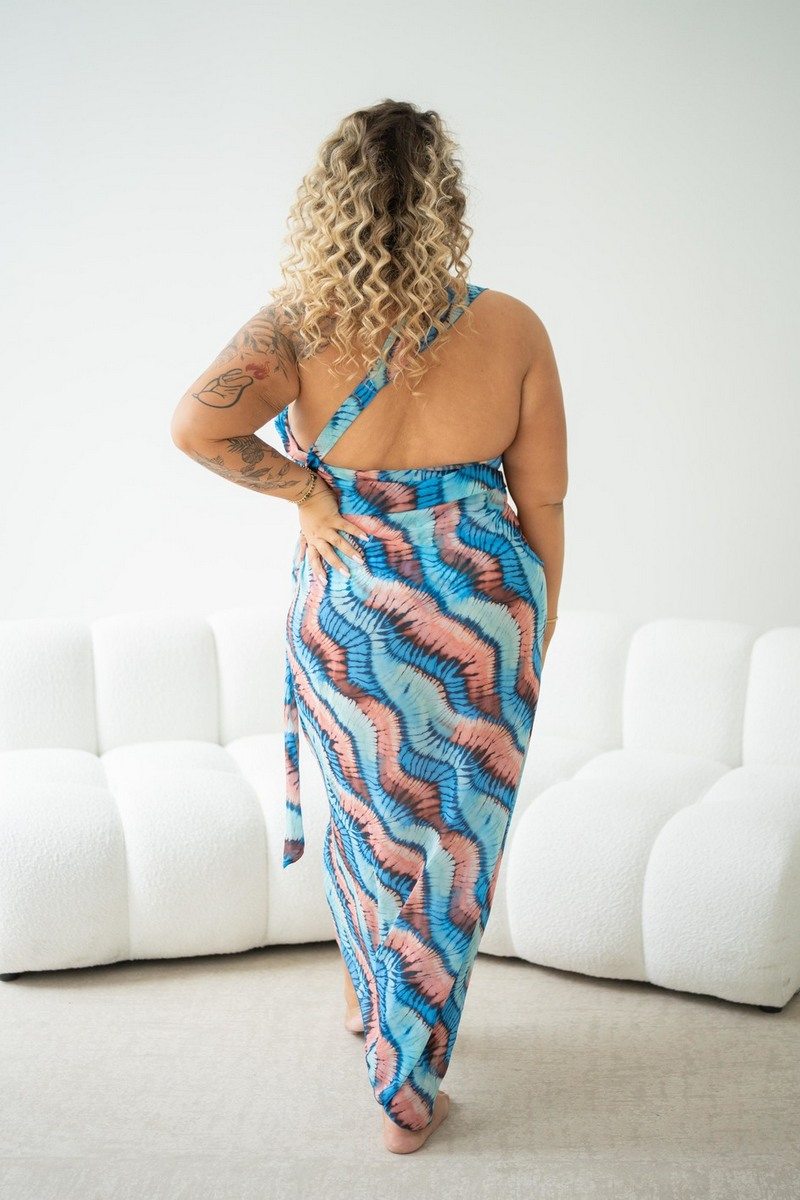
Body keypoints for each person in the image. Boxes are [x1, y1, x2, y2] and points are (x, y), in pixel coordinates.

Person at [171, 98, 567, 1154]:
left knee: (365, 825)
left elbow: (197, 426)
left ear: (327, 202)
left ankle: (382, 1032)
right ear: (447, 204)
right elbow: (543, 500)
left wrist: (310, 493)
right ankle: (410, 1073)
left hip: (351, 602)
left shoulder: (294, 325)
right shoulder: (513, 327)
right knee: (451, 842)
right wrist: (534, 638)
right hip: (484, 610)